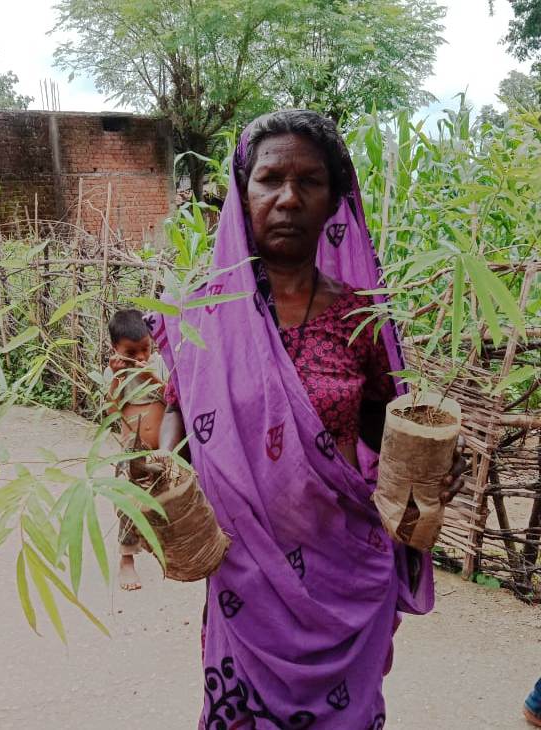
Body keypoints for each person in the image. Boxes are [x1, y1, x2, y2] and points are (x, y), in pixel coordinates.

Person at [148, 110, 465, 728]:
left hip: (344, 576)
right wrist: (156, 473)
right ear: (243, 194)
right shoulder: (200, 316)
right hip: (246, 580)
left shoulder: (360, 317)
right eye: (270, 179)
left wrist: (436, 463)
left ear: (334, 199)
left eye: (309, 182)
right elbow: (180, 418)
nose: (288, 198)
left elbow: (387, 432)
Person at [104, 308, 167, 590]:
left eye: (146, 348)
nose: (141, 357)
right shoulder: (112, 372)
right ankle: (127, 559)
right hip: (130, 453)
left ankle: (168, 549)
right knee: (127, 505)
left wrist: (150, 375)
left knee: (168, 501)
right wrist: (119, 377)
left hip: (163, 451)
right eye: (131, 352)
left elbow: (173, 397)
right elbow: (111, 412)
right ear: (115, 349)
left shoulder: (160, 364)